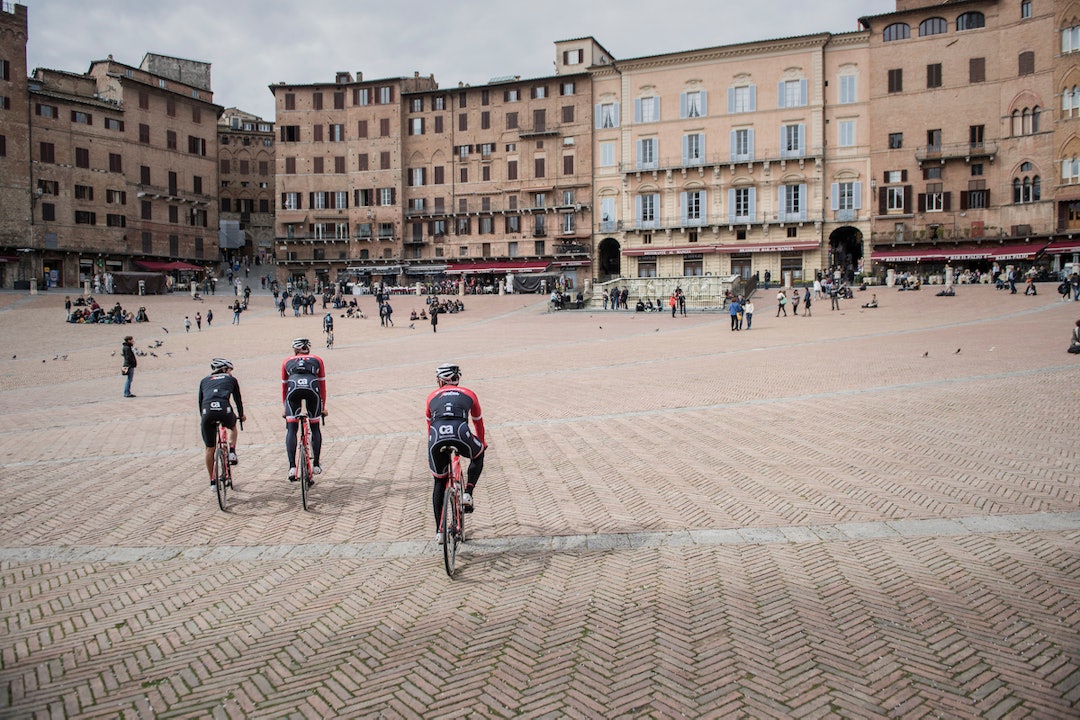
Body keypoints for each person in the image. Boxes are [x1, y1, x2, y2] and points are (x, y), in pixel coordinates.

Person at [426, 363, 486, 541]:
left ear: (441, 381)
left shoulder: (431, 396)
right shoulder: (469, 393)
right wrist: (482, 443)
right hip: (460, 433)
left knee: (439, 481)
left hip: (436, 438)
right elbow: (478, 422)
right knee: (478, 454)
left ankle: (439, 532)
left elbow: (429, 426)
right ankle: (468, 493)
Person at [281, 338, 327, 481]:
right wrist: (323, 407)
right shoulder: (317, 359)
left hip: (293, 390)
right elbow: (322, 385)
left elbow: (284, 386)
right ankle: (316, 464)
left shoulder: (286, 361)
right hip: (312, 389)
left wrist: (285, 408)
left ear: (295, 350)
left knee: (292, 429)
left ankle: (292, 467)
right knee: (315, 427)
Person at [198, 358, 245, 486]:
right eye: (230, 370)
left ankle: (213, 481)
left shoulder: (204, 380)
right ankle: (232, 452)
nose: (231, 373)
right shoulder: (231, 379)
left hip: (207, 412)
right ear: (224, 369)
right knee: (232, 426)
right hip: (224, 409)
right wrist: (241, 415)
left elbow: (200, 402)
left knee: (209, 449)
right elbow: (238, 400)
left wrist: (204, 419)